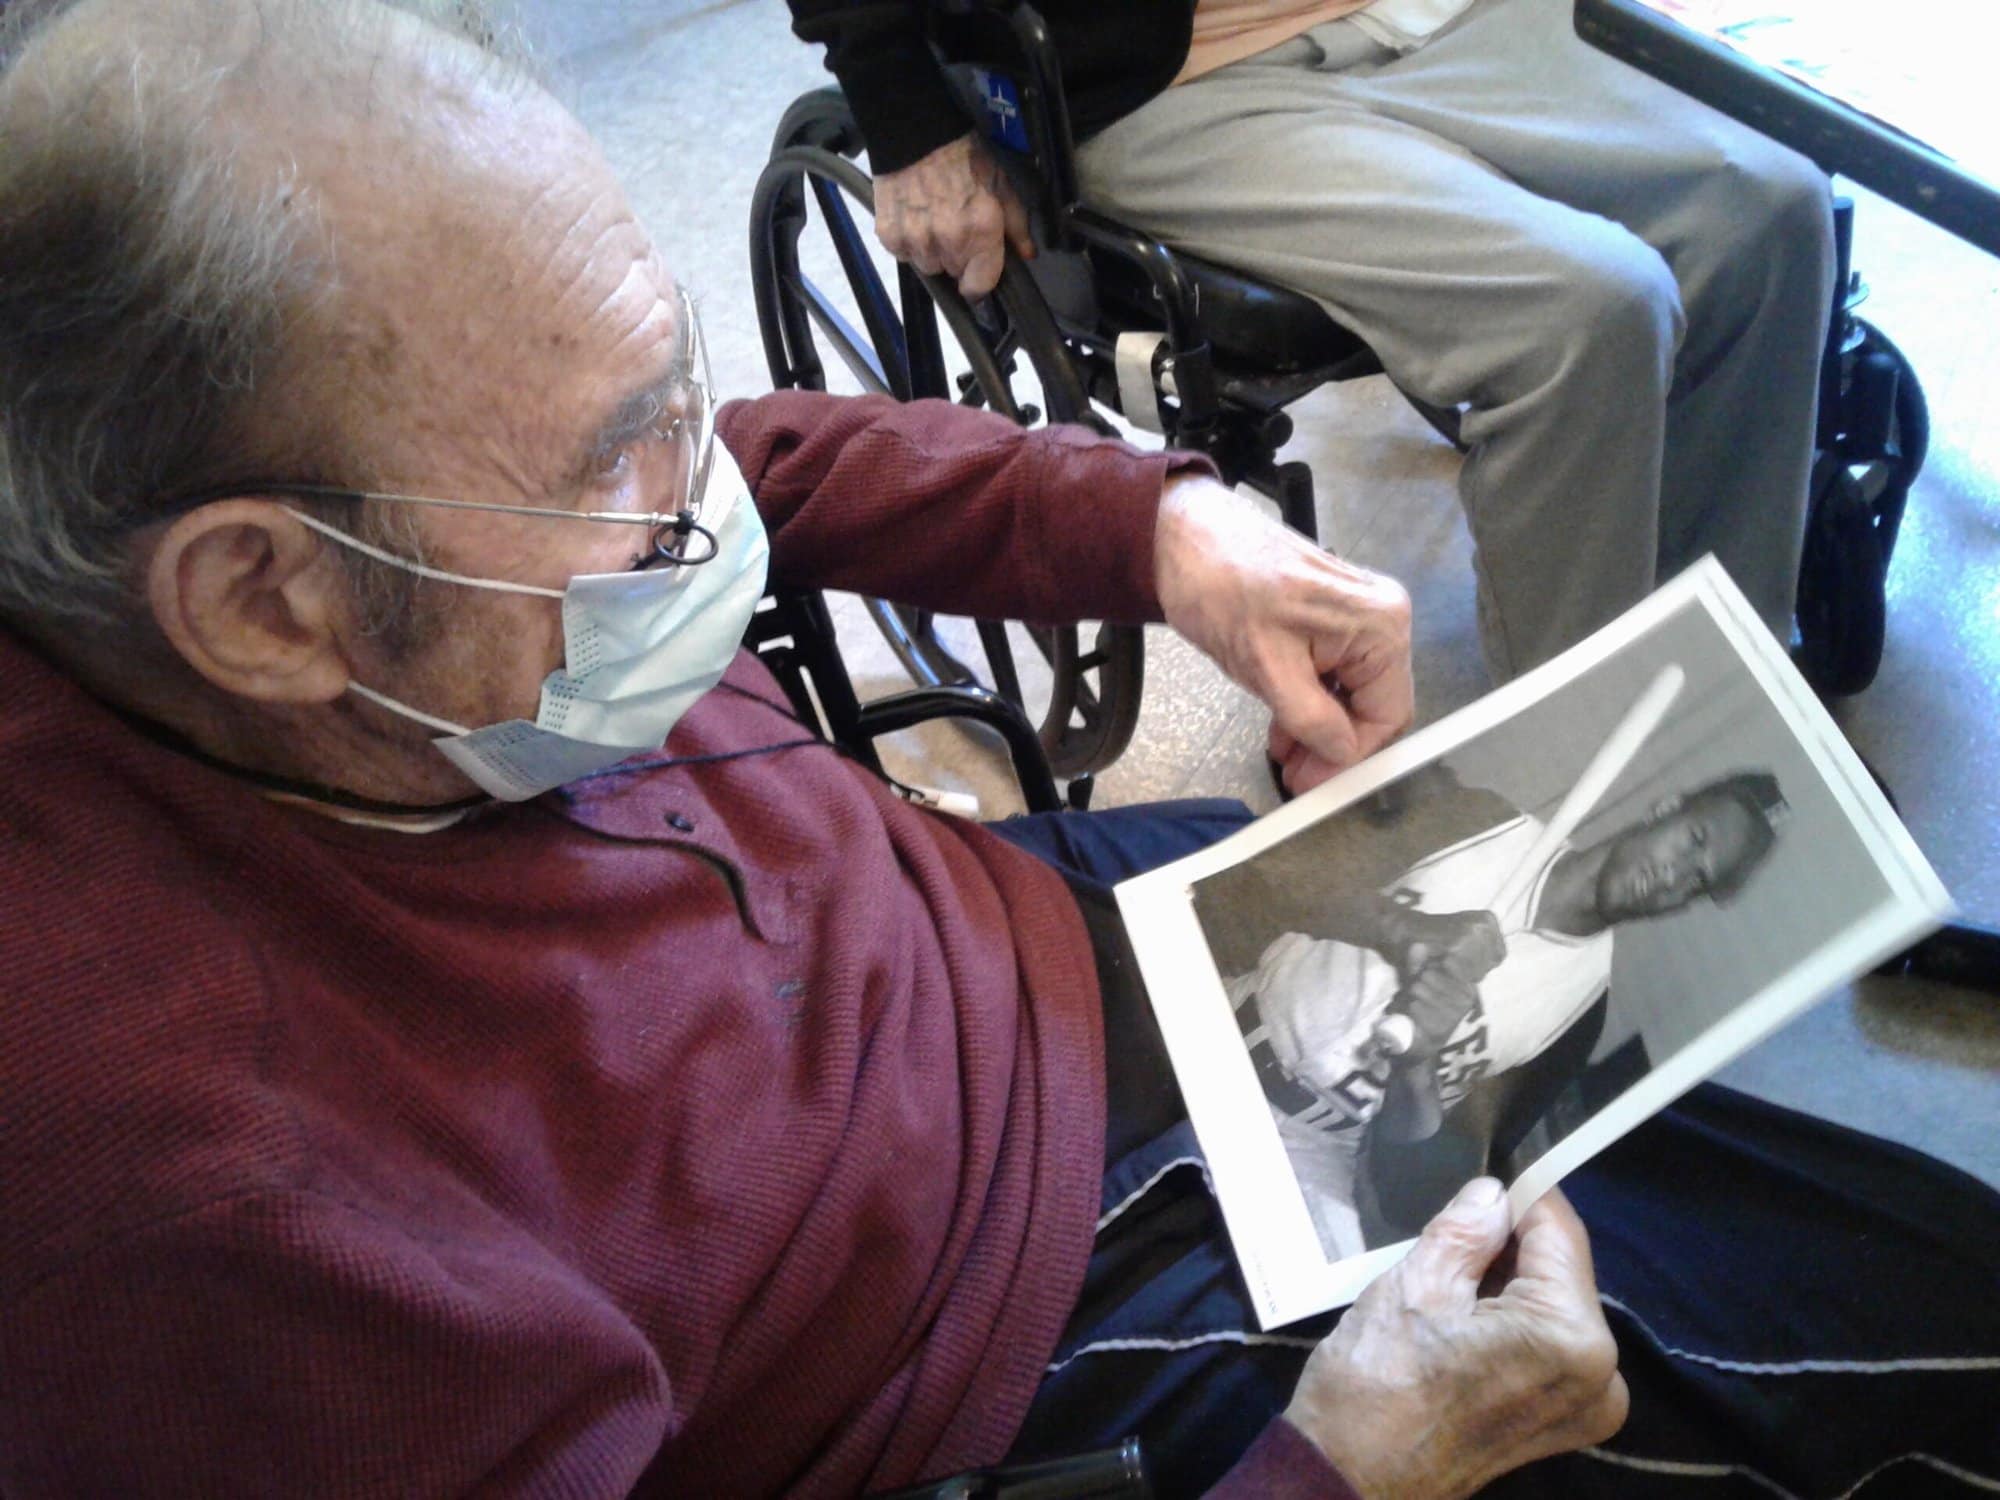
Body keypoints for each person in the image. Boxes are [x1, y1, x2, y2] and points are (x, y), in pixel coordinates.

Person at [1, 3, 1996, 1498]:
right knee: (1865, 1356)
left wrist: (1154, 531)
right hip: (1014, 1341)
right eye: (616, 456)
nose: (693, 491)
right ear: (266, 601)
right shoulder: (211, 1230)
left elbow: (767, 467)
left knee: (1706, 1046)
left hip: (1014, 965)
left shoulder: (416, 592)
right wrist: (1337, 1473)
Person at [786, 0, 1836, 681]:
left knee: (1771, 204)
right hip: (1162, 82)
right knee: (1589, 310)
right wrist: (901, 105)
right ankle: (1574, 788)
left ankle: (1727, 697)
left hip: (1434, 16)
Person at [1218, 768, 1788, 1254]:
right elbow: (1269, 880)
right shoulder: (1479, 819)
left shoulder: (1579, 1019)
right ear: (1664, 810)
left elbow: (1410, 1195)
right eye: (1692, 841)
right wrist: (1403, 929)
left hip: (1313, 1146)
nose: (1675, 876)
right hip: (1233, 1009)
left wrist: (1419, 1064)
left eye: (1698, 880)